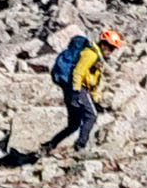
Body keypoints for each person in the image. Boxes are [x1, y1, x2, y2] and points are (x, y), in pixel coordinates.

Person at [41, 27, 121, 158]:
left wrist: (95, 97)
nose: (111, 51)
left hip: (75, 90)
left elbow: (94, 79)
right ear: (103, 43)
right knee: (92, 116)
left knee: (74, 124)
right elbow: (78, 72)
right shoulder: (91, 54)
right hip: (77, 89)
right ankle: (80, 148)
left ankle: (48, 146)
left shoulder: (98, 57)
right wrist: (76, 92)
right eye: (110, 47)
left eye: (113, 49)